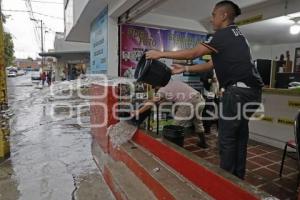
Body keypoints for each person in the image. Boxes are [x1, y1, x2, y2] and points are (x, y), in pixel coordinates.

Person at [146, 0, 263, 179]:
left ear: (224, 16)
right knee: (239, 137)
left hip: (237, 93)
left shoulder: (222, 35)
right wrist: (185, 69)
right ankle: (238, 179)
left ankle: (227, 183)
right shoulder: (237, 35)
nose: (211, 18)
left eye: (214, 14)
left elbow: (194, 53)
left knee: (226, 139)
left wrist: (160, 53)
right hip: (251, 93)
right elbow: (210, 64)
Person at [132, 80, 208, 148]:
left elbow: (152, 103)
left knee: (176, 126)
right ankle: (203, 142)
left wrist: (138, 111)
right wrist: (152, 101)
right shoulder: (171, 82)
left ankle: (175, 150)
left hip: (189, 102)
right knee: (198, 122)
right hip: (200, 100)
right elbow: (165, 98)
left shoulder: (162, 90)